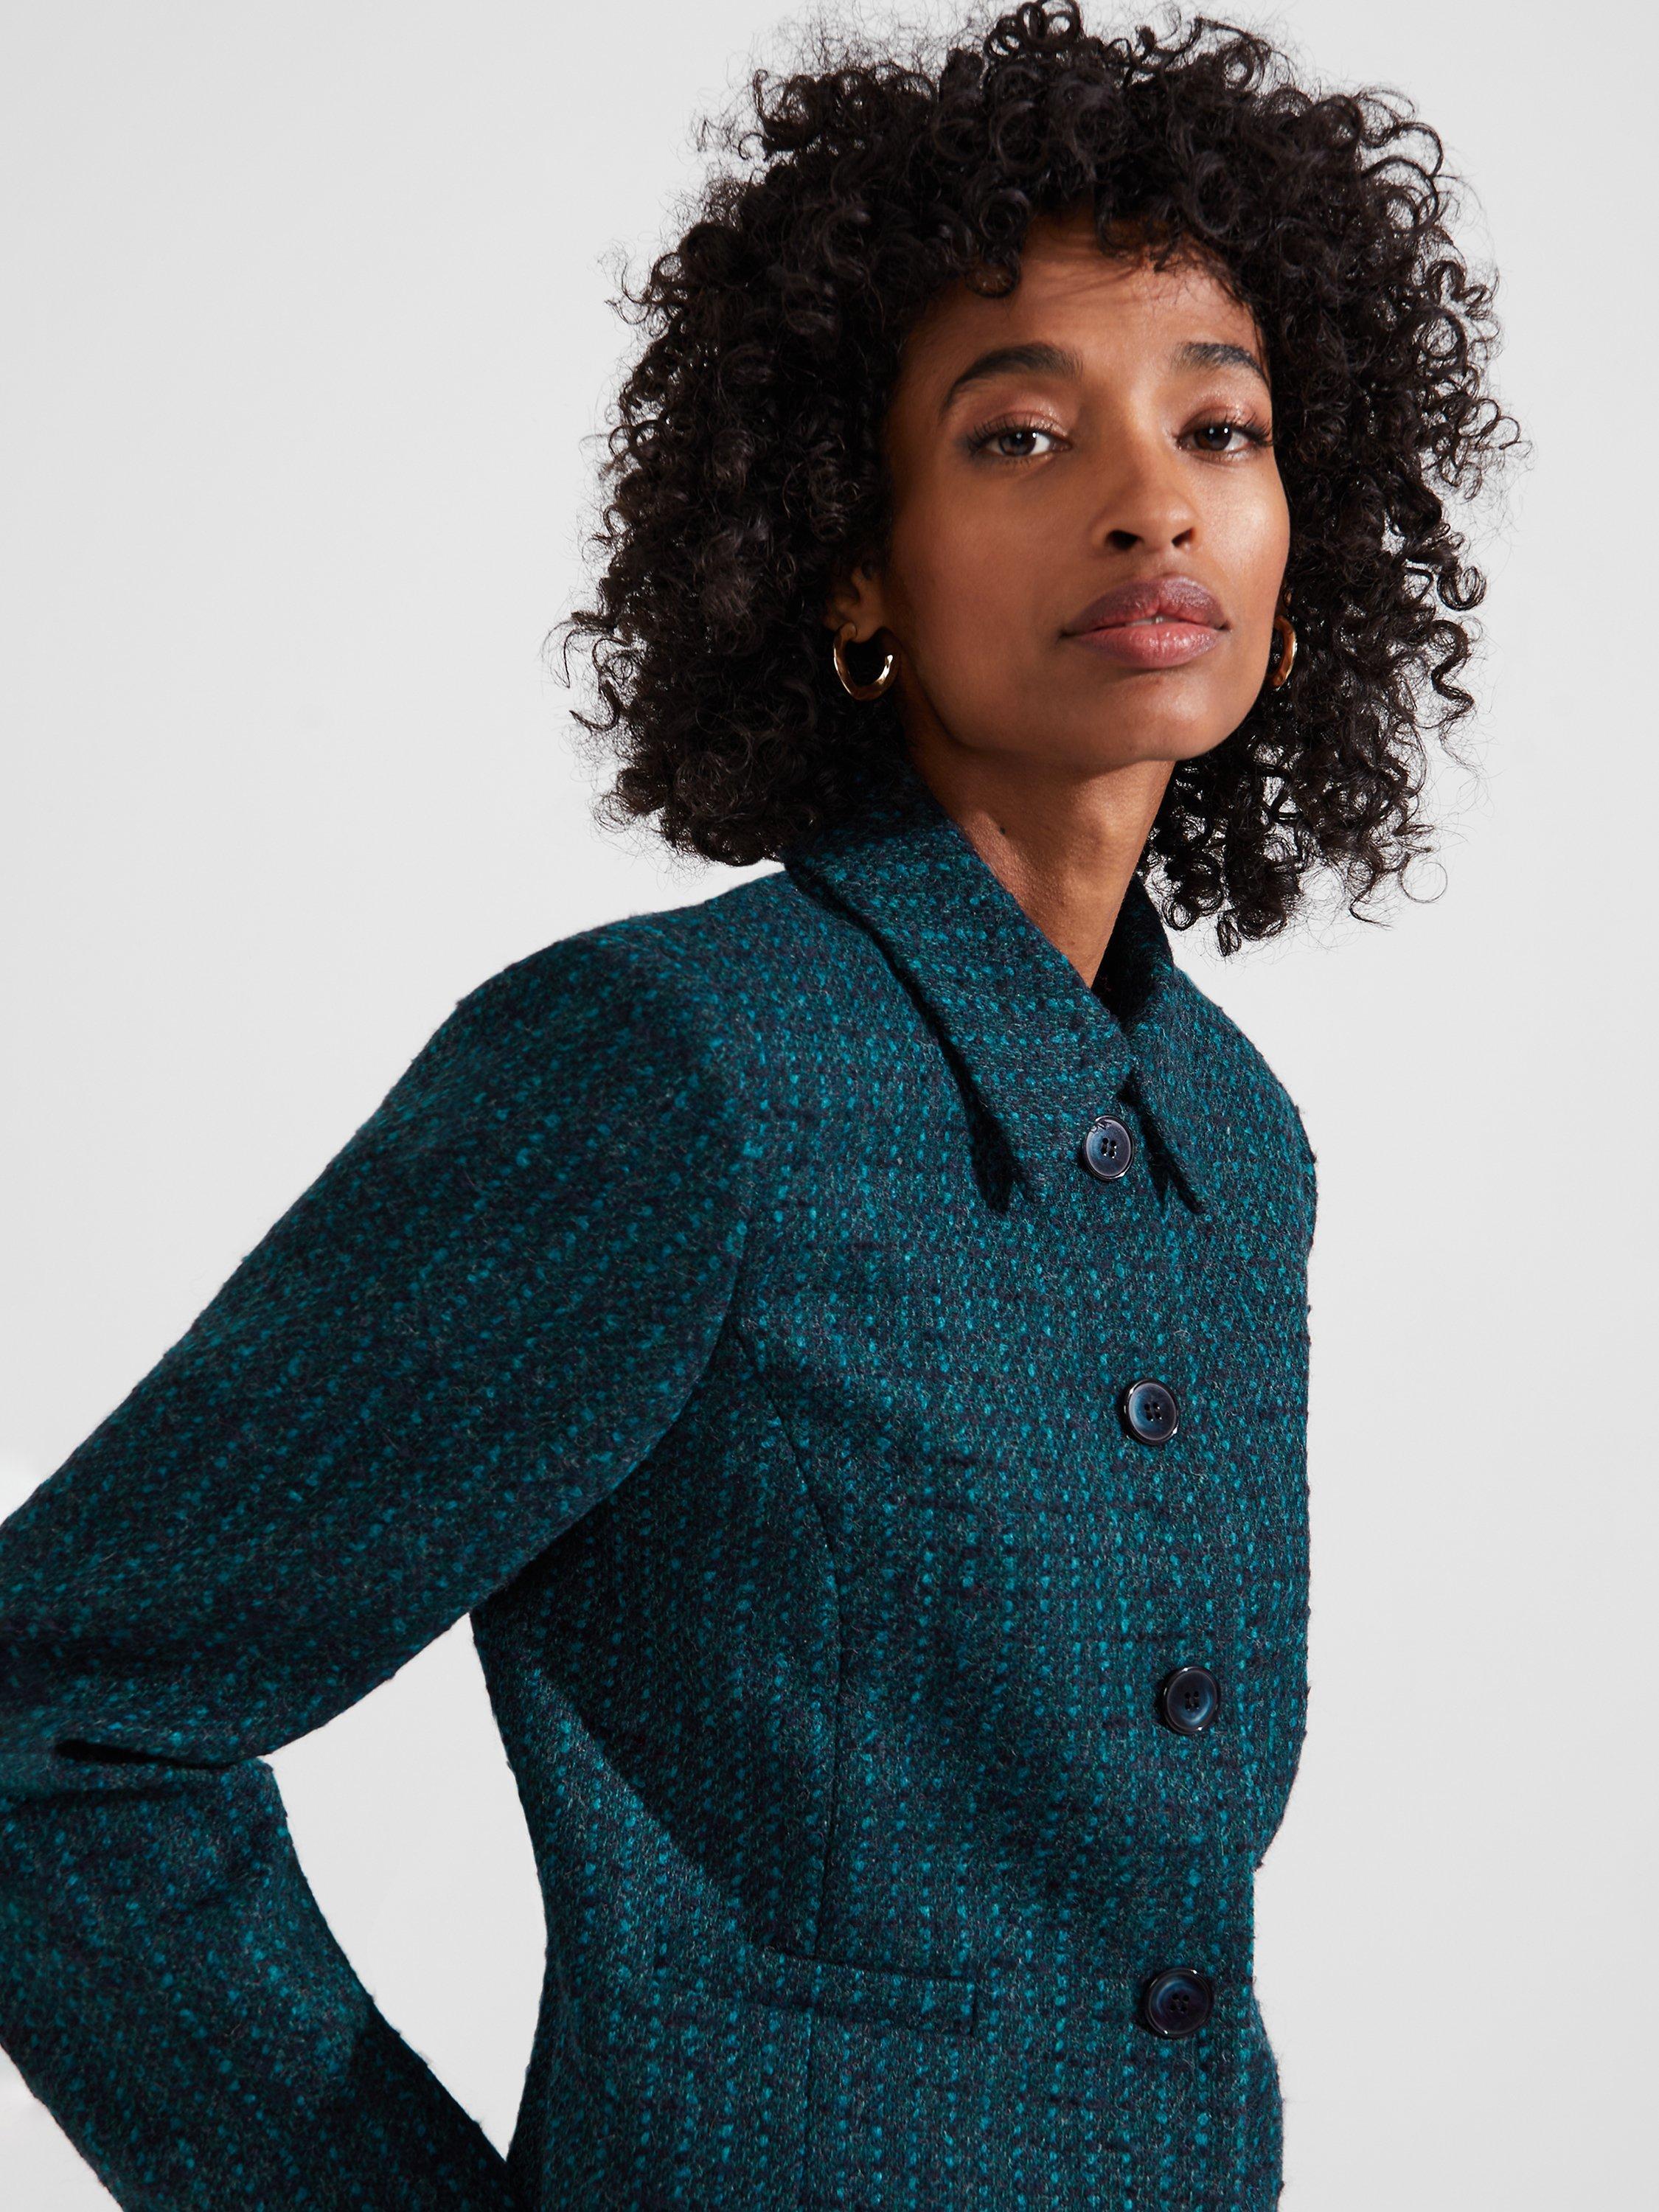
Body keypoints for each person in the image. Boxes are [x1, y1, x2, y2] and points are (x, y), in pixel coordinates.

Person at [0, 6, 1515, 2206]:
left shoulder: (1231, 1136)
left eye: (1223, 424)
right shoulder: (667, 1069)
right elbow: (55, 1730)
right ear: (847, 558)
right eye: (1020, 436)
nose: (1151, 498)